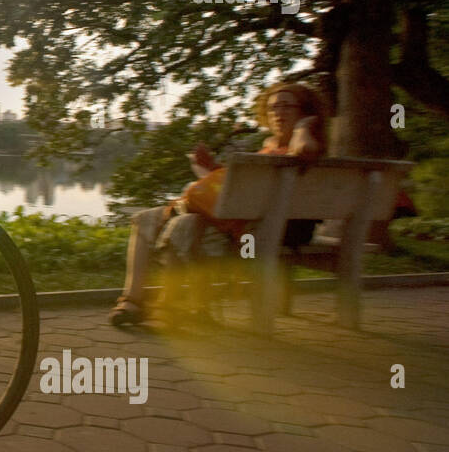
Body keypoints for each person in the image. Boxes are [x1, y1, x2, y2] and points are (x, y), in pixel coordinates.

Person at [109, 82, 329, 326]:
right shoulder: (269, 149)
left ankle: (178, 307)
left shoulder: (304, 146)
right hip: (244, 228)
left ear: (304, 111)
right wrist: (212, 171)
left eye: (287, 107)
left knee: (183, 225)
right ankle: (137, 301)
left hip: (253, 242)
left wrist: (303, 127)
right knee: (152, 220)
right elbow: (246, 195)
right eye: (272, 108)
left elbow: (305, 150)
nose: (278, 113)